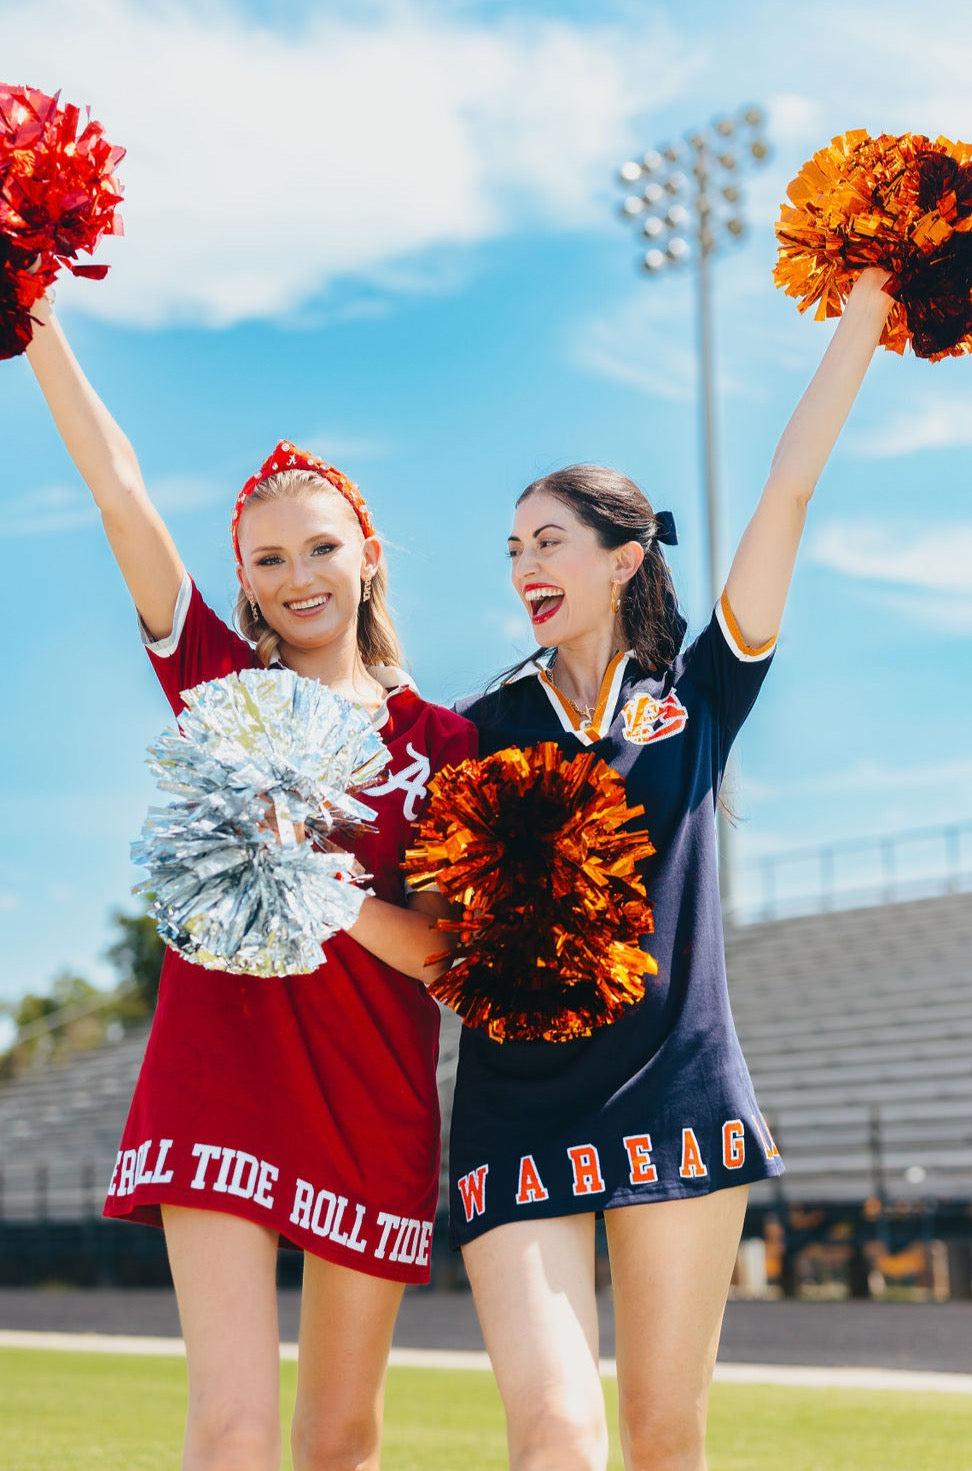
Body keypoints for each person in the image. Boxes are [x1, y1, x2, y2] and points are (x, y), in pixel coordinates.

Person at [448, 267, 895, 1471]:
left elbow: (789, 489)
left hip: (675, 1094)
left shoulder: (693, 698)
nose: (525, 566)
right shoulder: (476, 728)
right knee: (552, 1430)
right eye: (512, 549)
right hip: (514, 1103)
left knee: (663, 1440)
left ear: (625, 557)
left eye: (550, 541)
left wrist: (865, 306)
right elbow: (434, 913)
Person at [24, 292, 476, 1471]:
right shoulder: (216, 681)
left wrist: (316, 877)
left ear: (366, 554)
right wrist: (31, 310)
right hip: (219, 1066)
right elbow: (119, 490)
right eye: (267, 559)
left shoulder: (450, 742)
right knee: (229, 1430)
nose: (298, 575)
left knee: (339, 1440)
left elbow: (443, 958)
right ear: (244, 579)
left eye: (321, 546)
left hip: (374, 1092)